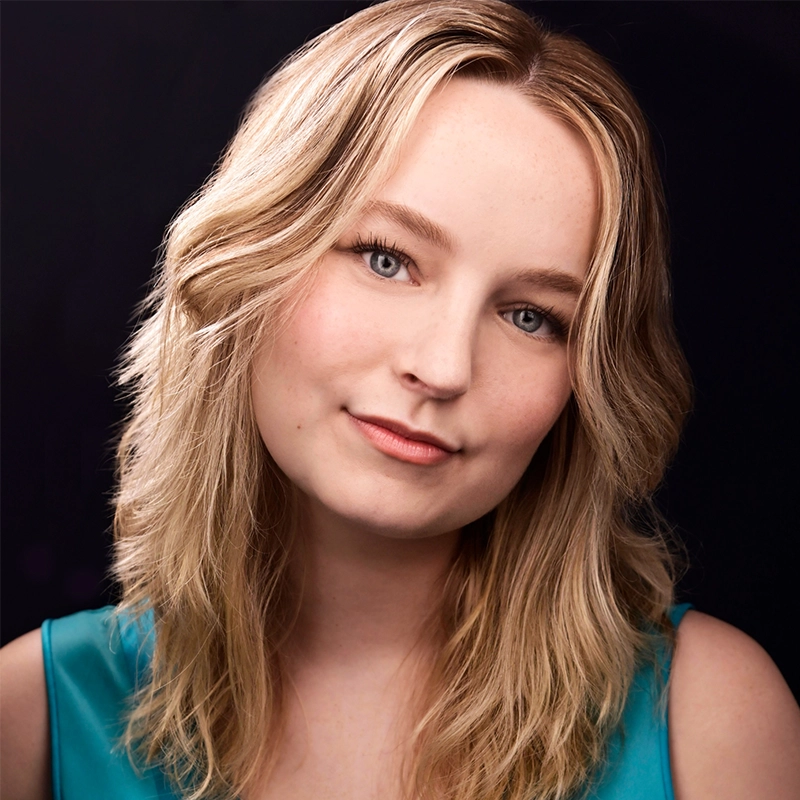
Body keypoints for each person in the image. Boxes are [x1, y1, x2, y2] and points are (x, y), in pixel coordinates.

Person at [2, 1, 799, 798]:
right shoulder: (32, 717)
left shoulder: (706, 718)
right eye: (387, 259)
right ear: (252, 254)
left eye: (532, 317)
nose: (444, 366)